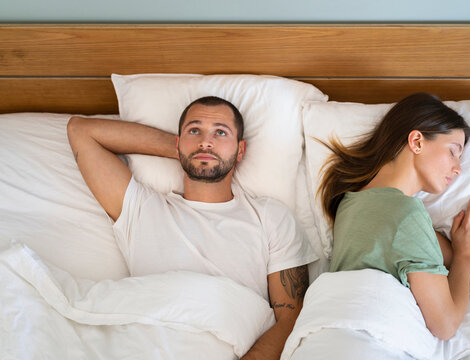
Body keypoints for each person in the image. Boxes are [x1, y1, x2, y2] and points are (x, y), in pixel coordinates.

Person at [67, 96, 318, 359]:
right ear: (178, 142)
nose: (205, 141)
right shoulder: (141, 209)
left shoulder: (270, 216)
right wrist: (188, 151)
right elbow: (80, 131)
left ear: (240, 150)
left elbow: (290, 319)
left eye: (220, 133)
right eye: (194, 131)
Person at [318, 93, 470, 340]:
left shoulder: (350, 202)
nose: (458, 168)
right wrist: (463, 256)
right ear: (417, 141)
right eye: (454, 152)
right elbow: (445, 324)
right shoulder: (406, 215)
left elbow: (467, 270)